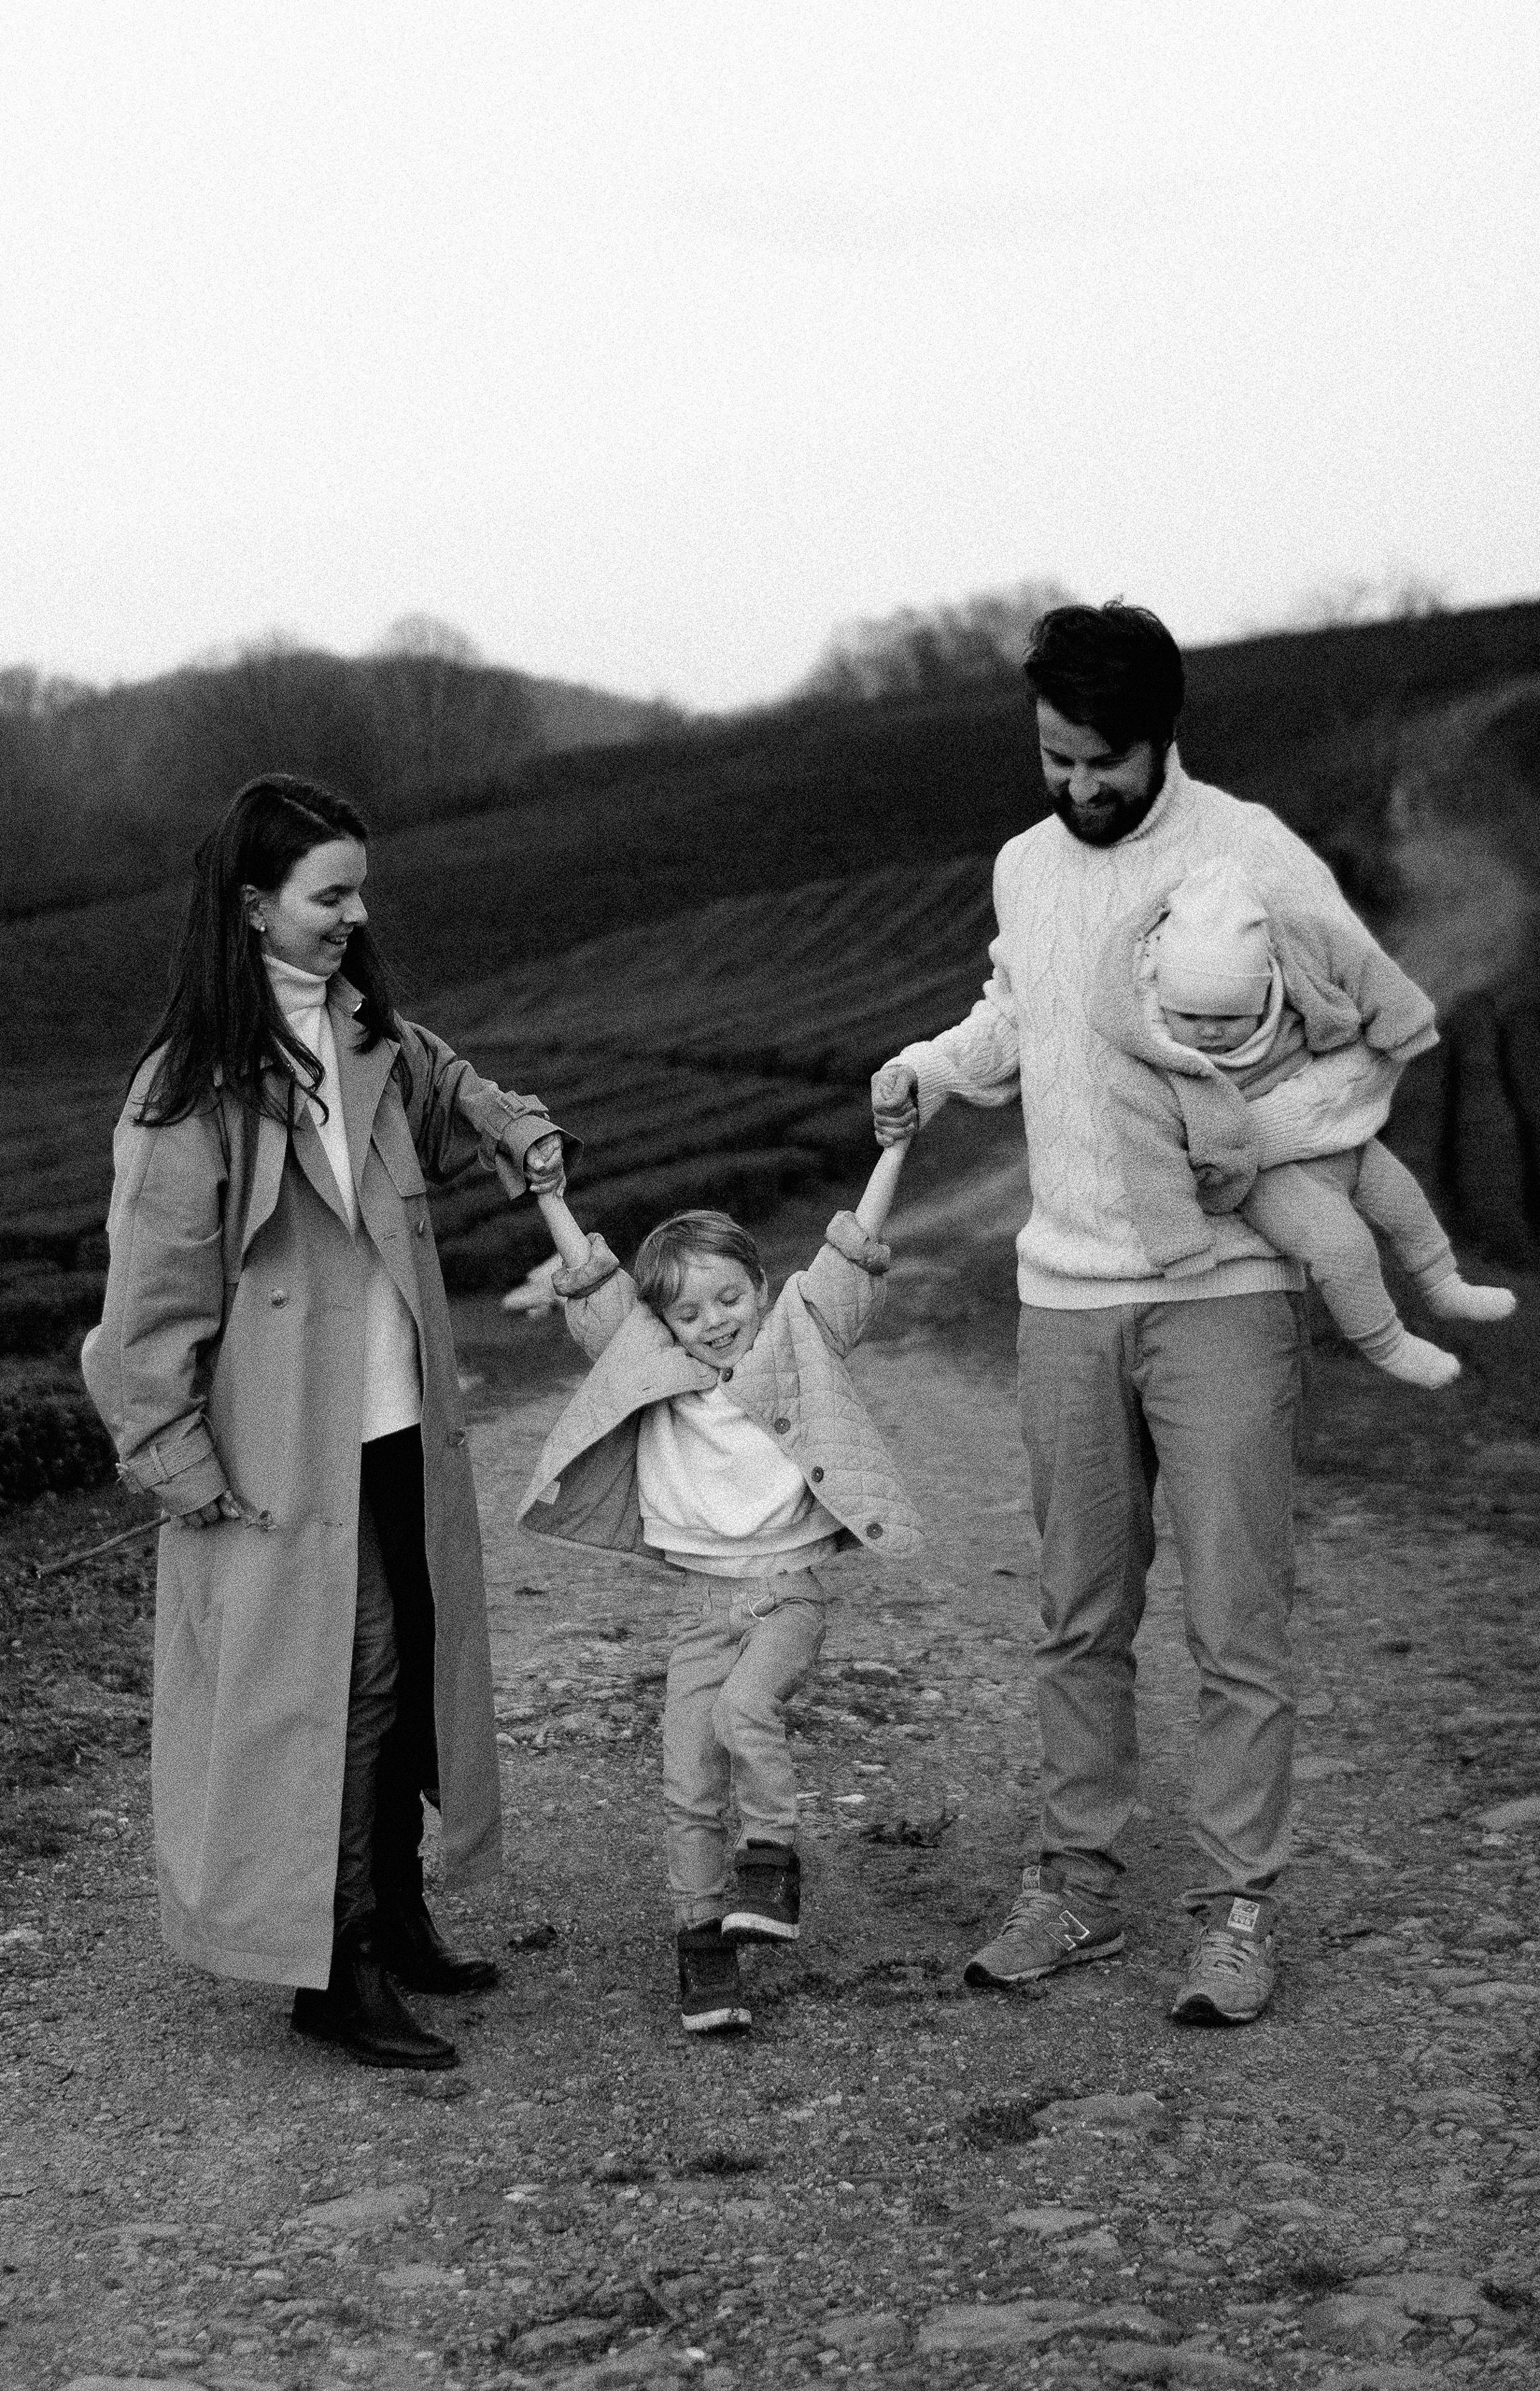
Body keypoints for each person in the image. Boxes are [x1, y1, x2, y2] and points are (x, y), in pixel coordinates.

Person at [871, 600, 1434, 2027]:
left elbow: (1368, 1022)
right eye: (1052, 758)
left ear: (1159, 736)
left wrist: (1261, 1139)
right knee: (1076, 1611)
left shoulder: (1246, 851)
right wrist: (931, 1068)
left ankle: (1236, 1905)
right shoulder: (1021, 866)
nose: (1072, 788)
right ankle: (1073, 1880)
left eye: (1097, 762)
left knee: (1235, 1616)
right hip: (1063, 1291)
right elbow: (1021, 1010)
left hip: (1224, 1290)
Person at [82, 773, 574, 2071]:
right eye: (330, 894)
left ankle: (398, 1908)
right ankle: (331, 1959)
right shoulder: (190, 1091)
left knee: (408, 1655)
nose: (357, 915)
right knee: (347, 1676)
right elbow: (144, 1308)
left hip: (396, 1414)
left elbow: (445, 1075)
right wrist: (177, 1463)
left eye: (362, 889)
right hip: (279, 1451)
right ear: (253, 907)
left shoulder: (363, 1035)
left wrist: (512, 1127)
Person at [516, 1143, 922, 2035]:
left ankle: (772, 1859)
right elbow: (592, 1285)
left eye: (731, 1298)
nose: (715, 1322)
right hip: (703, 1608)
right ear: (664, 1322)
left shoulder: (798, 1338)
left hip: (788, 1592)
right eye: (690, 1312)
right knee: (688, 1781)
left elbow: (855, 1252)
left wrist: (889, 1146)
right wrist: (551, 1197)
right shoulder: (648, 1364)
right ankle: (705, 1952)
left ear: (762, 1286)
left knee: (747, 1713)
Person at [1090, 855, 1516, 1388]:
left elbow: (1356, 963)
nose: (1211, 1033)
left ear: (1264, 994)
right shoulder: (1155, 1069)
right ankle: (1386, 1342)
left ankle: (1444, 1284)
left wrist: (1401, 1017)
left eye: (1230, 1019)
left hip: (1340, 1143)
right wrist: (1179, 1240)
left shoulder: (1294, 972)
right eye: (1191, 1018)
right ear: (1164, 1001)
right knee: (1344, 1248)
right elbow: (1148, 1157)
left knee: (1405, 1202)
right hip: (1266, 1176)